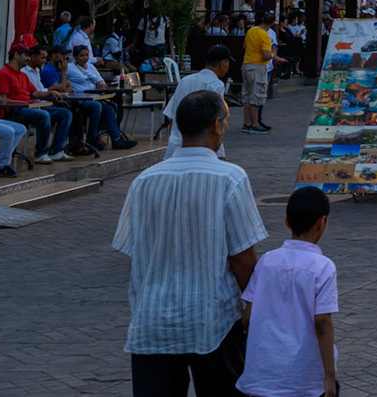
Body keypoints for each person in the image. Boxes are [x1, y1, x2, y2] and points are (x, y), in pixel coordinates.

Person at [113, 89, 268, 396]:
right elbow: (243, 257)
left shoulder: (145, 181)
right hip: (212, 318)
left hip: (152, 319)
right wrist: (255, 305)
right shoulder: (230, 178)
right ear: (217, 125)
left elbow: (133, 247)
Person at [239, 186, 340, 397]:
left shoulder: (267, 261)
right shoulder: (322, 267)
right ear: (322, 223)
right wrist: (329, 375)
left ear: (286, 221)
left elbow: (247, 317)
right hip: (304, 381)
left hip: (263, 377)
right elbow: (322, 322)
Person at [0, 40, 73, 162]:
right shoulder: (3, 74)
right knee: (43, 115)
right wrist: (25, 104)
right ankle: (41, 153)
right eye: (25, 55)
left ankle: (56, 151)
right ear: (16, 55)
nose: (28, 58)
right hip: (14, 111)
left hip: (28, 107)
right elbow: (2, 100)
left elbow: (35, 93)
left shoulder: (22, 75)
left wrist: (51, 92)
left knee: (65, 113)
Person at [164, 46, 235, 160]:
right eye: (227, 63)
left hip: (177, 146)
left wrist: (173, 139)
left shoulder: (185, 81)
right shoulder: (216, 84)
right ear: (222, 64)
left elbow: (171, 116)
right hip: (204, 149)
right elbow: (216, 118)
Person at [66, 43, 138, 149]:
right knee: (97, 106)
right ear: (75, 57)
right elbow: (68, 80)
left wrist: (101, 83)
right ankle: (92, 137)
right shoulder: (70, 68)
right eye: (81, 56)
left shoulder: (90, 66)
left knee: (111, 107)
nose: (85, 58)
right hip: (81, 98)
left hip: (95, 96)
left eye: (86, 55)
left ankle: (115, 139)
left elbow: (100, 80)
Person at [241, 15, 275, 135]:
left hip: (246, 64)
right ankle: (255, 124)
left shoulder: (252, 30)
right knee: (257, 95)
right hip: (258, 66)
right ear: (272, 23)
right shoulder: (265, 36)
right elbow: (266, 55)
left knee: (246, 96)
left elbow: (244, 46)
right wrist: (273, 54)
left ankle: (247, 123)